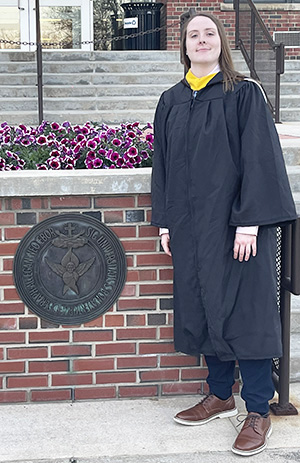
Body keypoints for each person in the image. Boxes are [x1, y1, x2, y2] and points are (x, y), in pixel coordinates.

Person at [151, 12, 297, 457]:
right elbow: (163, 165)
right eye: (192, 34)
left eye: (209, 33)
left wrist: (249, 221)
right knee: (201, 305)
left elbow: (260, 158)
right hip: (192, 230)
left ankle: (257, 409)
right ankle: (219, 395)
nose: (201, 40)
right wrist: (165, 222)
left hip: (238, 230)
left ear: (222, 43)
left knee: (245, 314)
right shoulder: (171, 101)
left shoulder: (244, 95)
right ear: (183, 46)